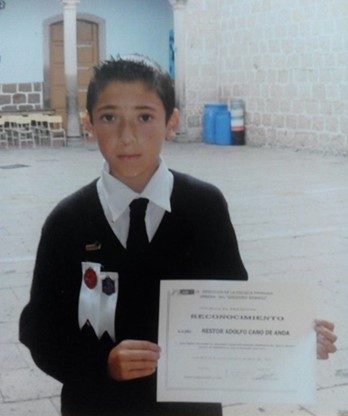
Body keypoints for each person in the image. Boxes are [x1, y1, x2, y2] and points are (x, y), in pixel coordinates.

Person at [19, 57, 337, 416]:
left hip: (189, 407)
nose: (128, 136)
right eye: (109, 117)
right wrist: (101, 363)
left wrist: (291, 337)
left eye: (145, 117)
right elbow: (40, 329)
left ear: (171, 121)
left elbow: (235, 310)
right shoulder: (67, 221)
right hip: (96, 404)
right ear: (89, 123)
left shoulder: (205, 207)